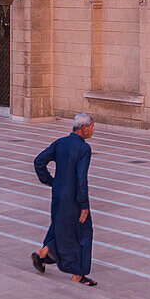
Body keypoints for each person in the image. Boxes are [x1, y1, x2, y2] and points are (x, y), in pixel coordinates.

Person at [32, 113, 97, 286]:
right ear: (84, 128)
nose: (92, 130)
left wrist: (51, 181)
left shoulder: (60, 143)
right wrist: (84, 205)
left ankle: (42, 253)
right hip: (74, 198)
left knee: (60, 227)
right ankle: (79, 274)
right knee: (83, 233)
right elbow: (81, 179)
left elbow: (39, 161)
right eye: (91, 127)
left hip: (59, 194)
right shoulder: (84, 149)